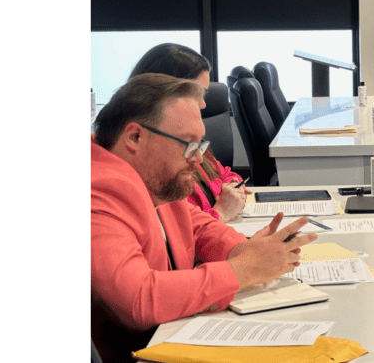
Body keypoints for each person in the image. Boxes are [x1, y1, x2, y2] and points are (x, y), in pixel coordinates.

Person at [91, 73, 317, 362]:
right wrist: (243, 270)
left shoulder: (149, 179)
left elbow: (197, 226)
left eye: (199, 145)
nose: (198, 159)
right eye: (188, 144)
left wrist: (242, 249)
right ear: (135, 137)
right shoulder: (97, 191)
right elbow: (138, 300)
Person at [129, 43, 247, 222]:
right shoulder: (150, 155)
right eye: (196, 94)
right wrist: (220, 213)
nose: (203, 104)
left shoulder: (186, 137)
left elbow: (223, 173)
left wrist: (232, 188)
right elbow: (172, 232)